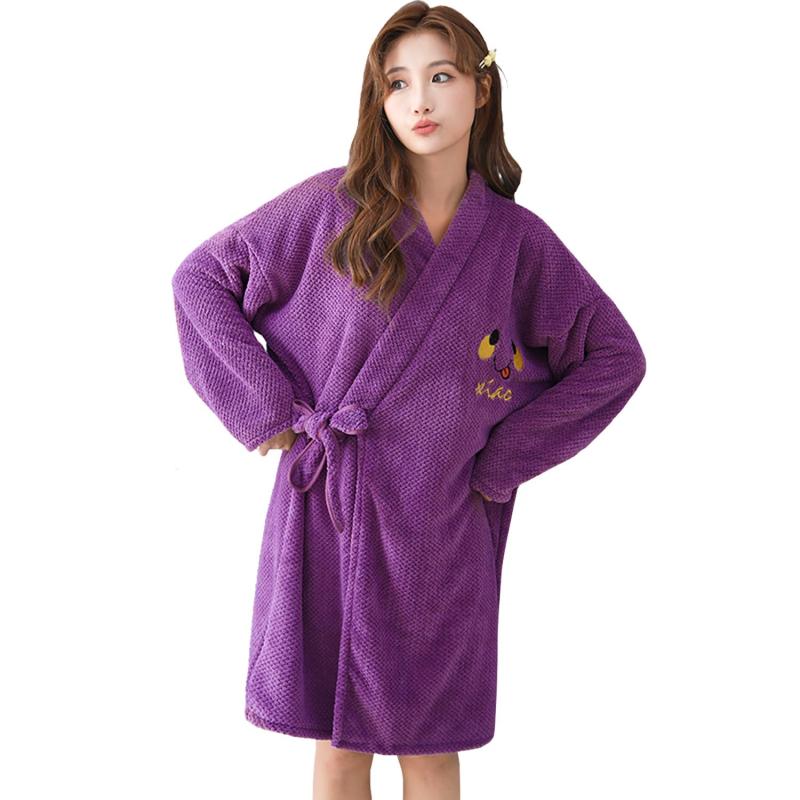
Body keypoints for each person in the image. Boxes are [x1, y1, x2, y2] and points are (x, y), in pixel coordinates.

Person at [171, 3, 646, 798]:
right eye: (397, 83)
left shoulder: (517, 243)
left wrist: (503, 459)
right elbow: (201, 280)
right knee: (337, 747)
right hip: (331, 510)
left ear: (481, 89)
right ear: (380, 100)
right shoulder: (329, 206)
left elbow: (614, 358)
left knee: (431, 747)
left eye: (441, 76)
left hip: (444, 526)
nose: (419, 100)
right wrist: (267, 407)